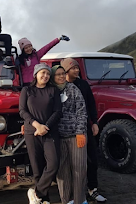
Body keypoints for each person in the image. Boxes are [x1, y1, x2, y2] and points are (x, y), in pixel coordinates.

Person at [61, 58, 107, 203]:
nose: (77, 70)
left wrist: (95, 122)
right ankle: (73, 194)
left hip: (84, 127)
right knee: (69, 164)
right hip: (66, 130)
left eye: (77, 68)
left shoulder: (83, 84)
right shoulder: (59, 86)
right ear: (66, 70)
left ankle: (92, 189)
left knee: (92, 158)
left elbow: (91, 105)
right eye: (74, 68)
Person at [19, 63, 62, 204]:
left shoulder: (53, 90)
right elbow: (22, 111)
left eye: (48, 74)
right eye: (42, 73)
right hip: (32, 133)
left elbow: (57, 111)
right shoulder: (27, 90)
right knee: (37, 167)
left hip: (49, 132)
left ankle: (36, 194)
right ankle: (44, 200)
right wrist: (36, 125)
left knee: (53, 164)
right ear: (36, 74)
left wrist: (45, 126)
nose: (45, 76)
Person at [51, 65, 88, 204]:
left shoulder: (73, 89)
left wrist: (80, 132)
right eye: (58, 74)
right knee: (62, 171)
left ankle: (80, 200)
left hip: (74, 136)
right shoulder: (50, 91)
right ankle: (66, 200)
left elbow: (81, 111)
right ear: (53, 76)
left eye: (63, 74)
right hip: (58, 137)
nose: (61, 77)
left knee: (79, 169)